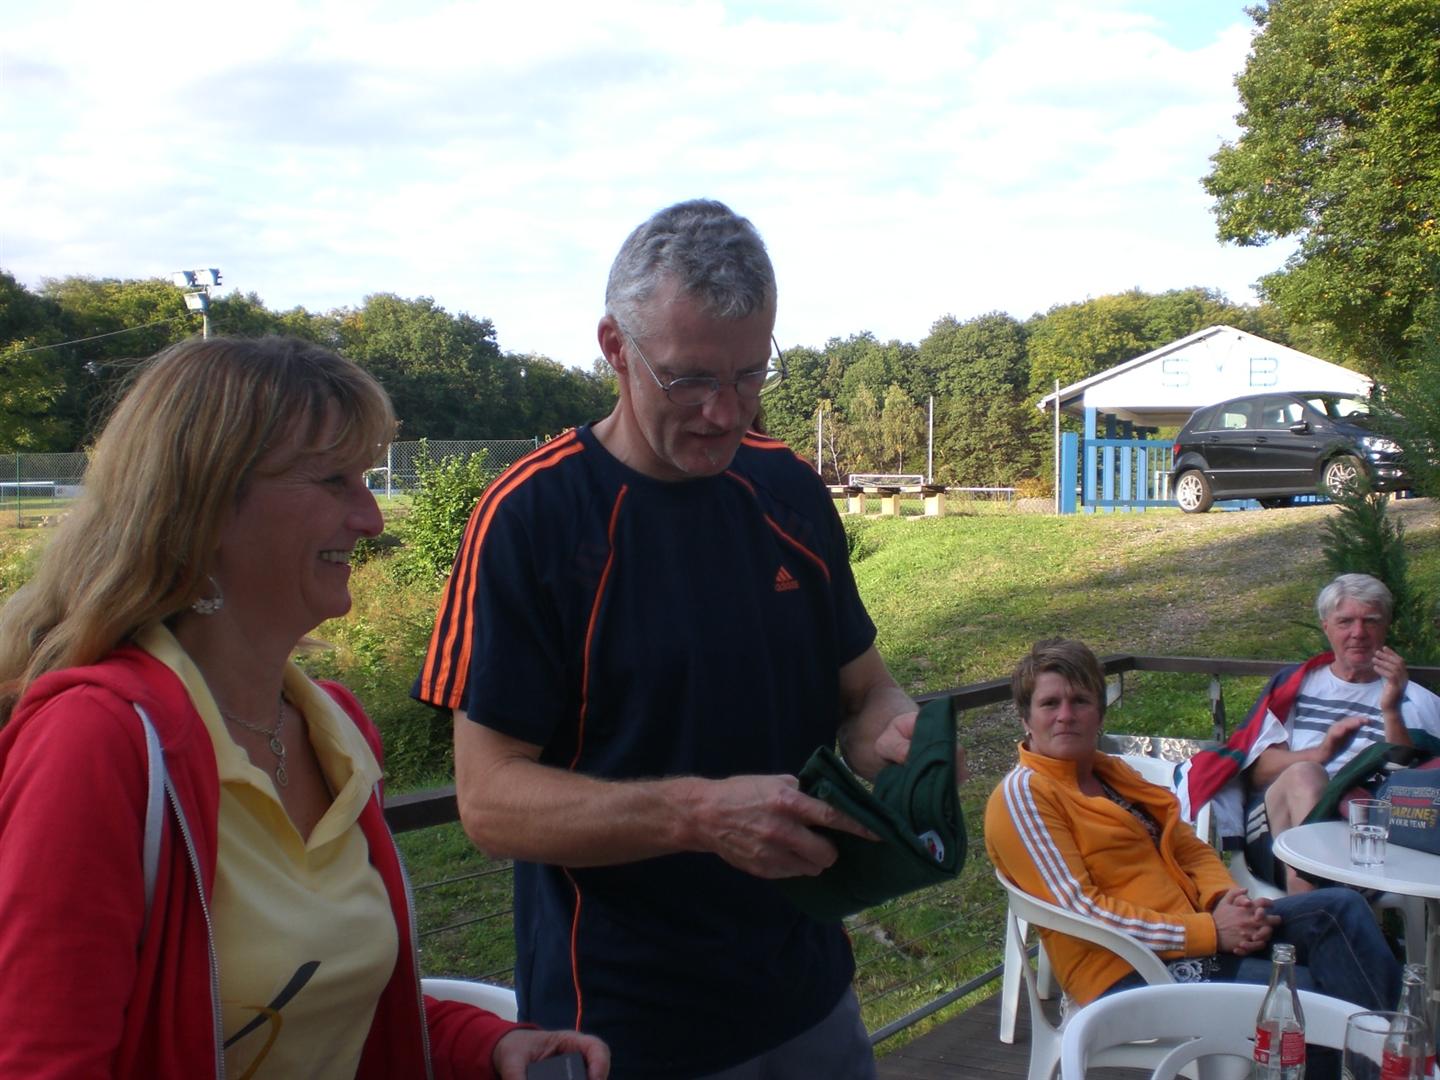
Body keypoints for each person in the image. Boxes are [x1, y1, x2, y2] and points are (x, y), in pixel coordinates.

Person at [415, 199, 941, 1079]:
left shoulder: (788, 491)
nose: (724, 413)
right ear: (615, 348)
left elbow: (865, 692)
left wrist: (895, 735)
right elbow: (489, 802)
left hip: (809, 993)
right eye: (689, 379)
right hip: (623, 1024)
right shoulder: (530, 518)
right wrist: (697, 816)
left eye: (749, 374)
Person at [0, 337, 609, 1080]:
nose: (372, 518)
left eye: (365, 479)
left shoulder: (335, 731)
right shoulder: (97, 741)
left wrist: (483, 1044)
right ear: (204, 504)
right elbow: (42, 1058)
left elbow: (316, 1006)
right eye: (333, 480)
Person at [985, 639, 1400, 1017]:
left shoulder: (1111, 774)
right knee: (1314, 996)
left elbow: (1189, 847)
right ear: (1026, 718)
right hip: (1127, 973)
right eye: (1050, 704)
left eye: (1080, 701)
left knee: (1338, 909)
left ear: (1099, 713)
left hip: (1195, 933)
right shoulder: (1024, 795)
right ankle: (1384, 1055)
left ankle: (1381, 1054)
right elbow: (1081, 910)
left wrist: (1223, 901)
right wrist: (1209, 932)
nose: (1065, 716)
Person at [1176, 573, 1440, 891]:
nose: (1358, 633)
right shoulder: (1297, 686)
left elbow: (1413, 792)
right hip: (1274, 832)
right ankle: (1320, 900)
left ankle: (1312, 909)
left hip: (1368, 838)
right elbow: (1256, 774)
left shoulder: (1417, 701)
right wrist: (1321, 754)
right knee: (1306, 774)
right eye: (1345, 621)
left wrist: (1391, 710)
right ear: (1326, 626)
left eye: (1370, 621)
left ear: (1386, 626)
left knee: (1347, 802)